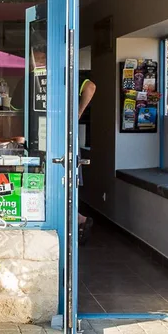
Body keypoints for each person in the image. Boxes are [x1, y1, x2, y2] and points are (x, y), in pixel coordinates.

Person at [77, 79, 96, 239]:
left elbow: (90, 86)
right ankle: (80, 219)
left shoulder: (68, 73)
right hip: (52, 136)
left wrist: (77, 114)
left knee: (67, 184)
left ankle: (79, 220)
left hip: (64, 140)